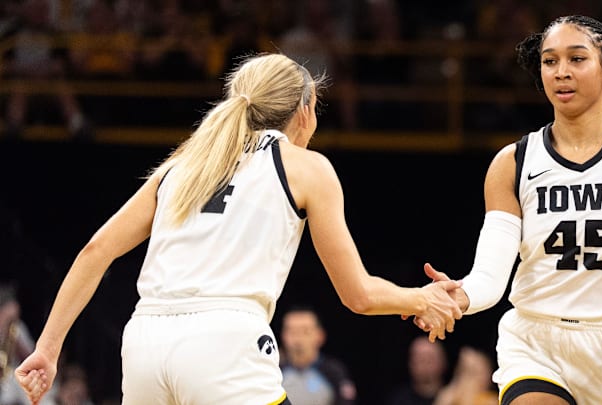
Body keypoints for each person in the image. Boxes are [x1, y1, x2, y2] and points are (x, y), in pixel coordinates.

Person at [13, 52, 463, 405]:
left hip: (145, 342)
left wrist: (48, 350)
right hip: (223, 343)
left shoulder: (181, 167)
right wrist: (420, 298)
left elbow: (95, 250)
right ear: (304, 112)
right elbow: (357, 294)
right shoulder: (307, 167)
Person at [416, 15, 602, 405]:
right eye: (550, 61)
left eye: (576, 59)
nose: (561, 72)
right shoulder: (513, 163)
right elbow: (491, 272)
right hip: (536, 339)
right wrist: (460, 296)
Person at [279, 306, 356, 405]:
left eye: (305, 332)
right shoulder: (275, 372)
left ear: (320, 335)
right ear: (283, 335)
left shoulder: (333, 371)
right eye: (292, 332)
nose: (297, 339)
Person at [385, 335, 447, 405]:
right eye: (420, 359)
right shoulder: (398, 400)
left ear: (443, 361)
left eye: (430, 359)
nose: (425, 364)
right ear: (410, 363)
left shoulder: (454, 396)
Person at [433, 346, 498, 405]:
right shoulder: (449, 396)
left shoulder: (492, 400)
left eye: (475, 372)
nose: (470, 379)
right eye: (467, 372)